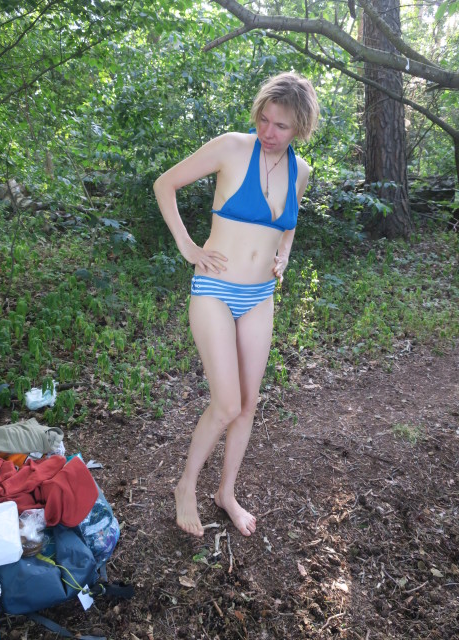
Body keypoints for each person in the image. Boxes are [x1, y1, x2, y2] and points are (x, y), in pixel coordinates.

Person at [153, 72, 319, 538]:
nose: (269, 132)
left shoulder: (301, 171)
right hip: (215, 290)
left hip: (260, 297)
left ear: (301, 127)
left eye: (281, 126)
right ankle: (186, 485)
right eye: (264, 119)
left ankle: (226, 493)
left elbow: (287, 223)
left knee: (248, 405)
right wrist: (188, 246)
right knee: (226, 404)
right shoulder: (231, 147)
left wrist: (284, 253)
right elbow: (165, 185)